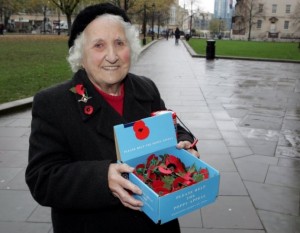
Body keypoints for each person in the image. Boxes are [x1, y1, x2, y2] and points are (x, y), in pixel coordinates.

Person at [25, 3, 199, 233]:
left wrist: (185, 143)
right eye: (98, 45)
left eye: (119, 43)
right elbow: (42, 179)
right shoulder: (53, 103)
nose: (112, 56)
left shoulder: (146, 88)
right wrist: (101, 178)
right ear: (81, 55)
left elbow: (171, 125)